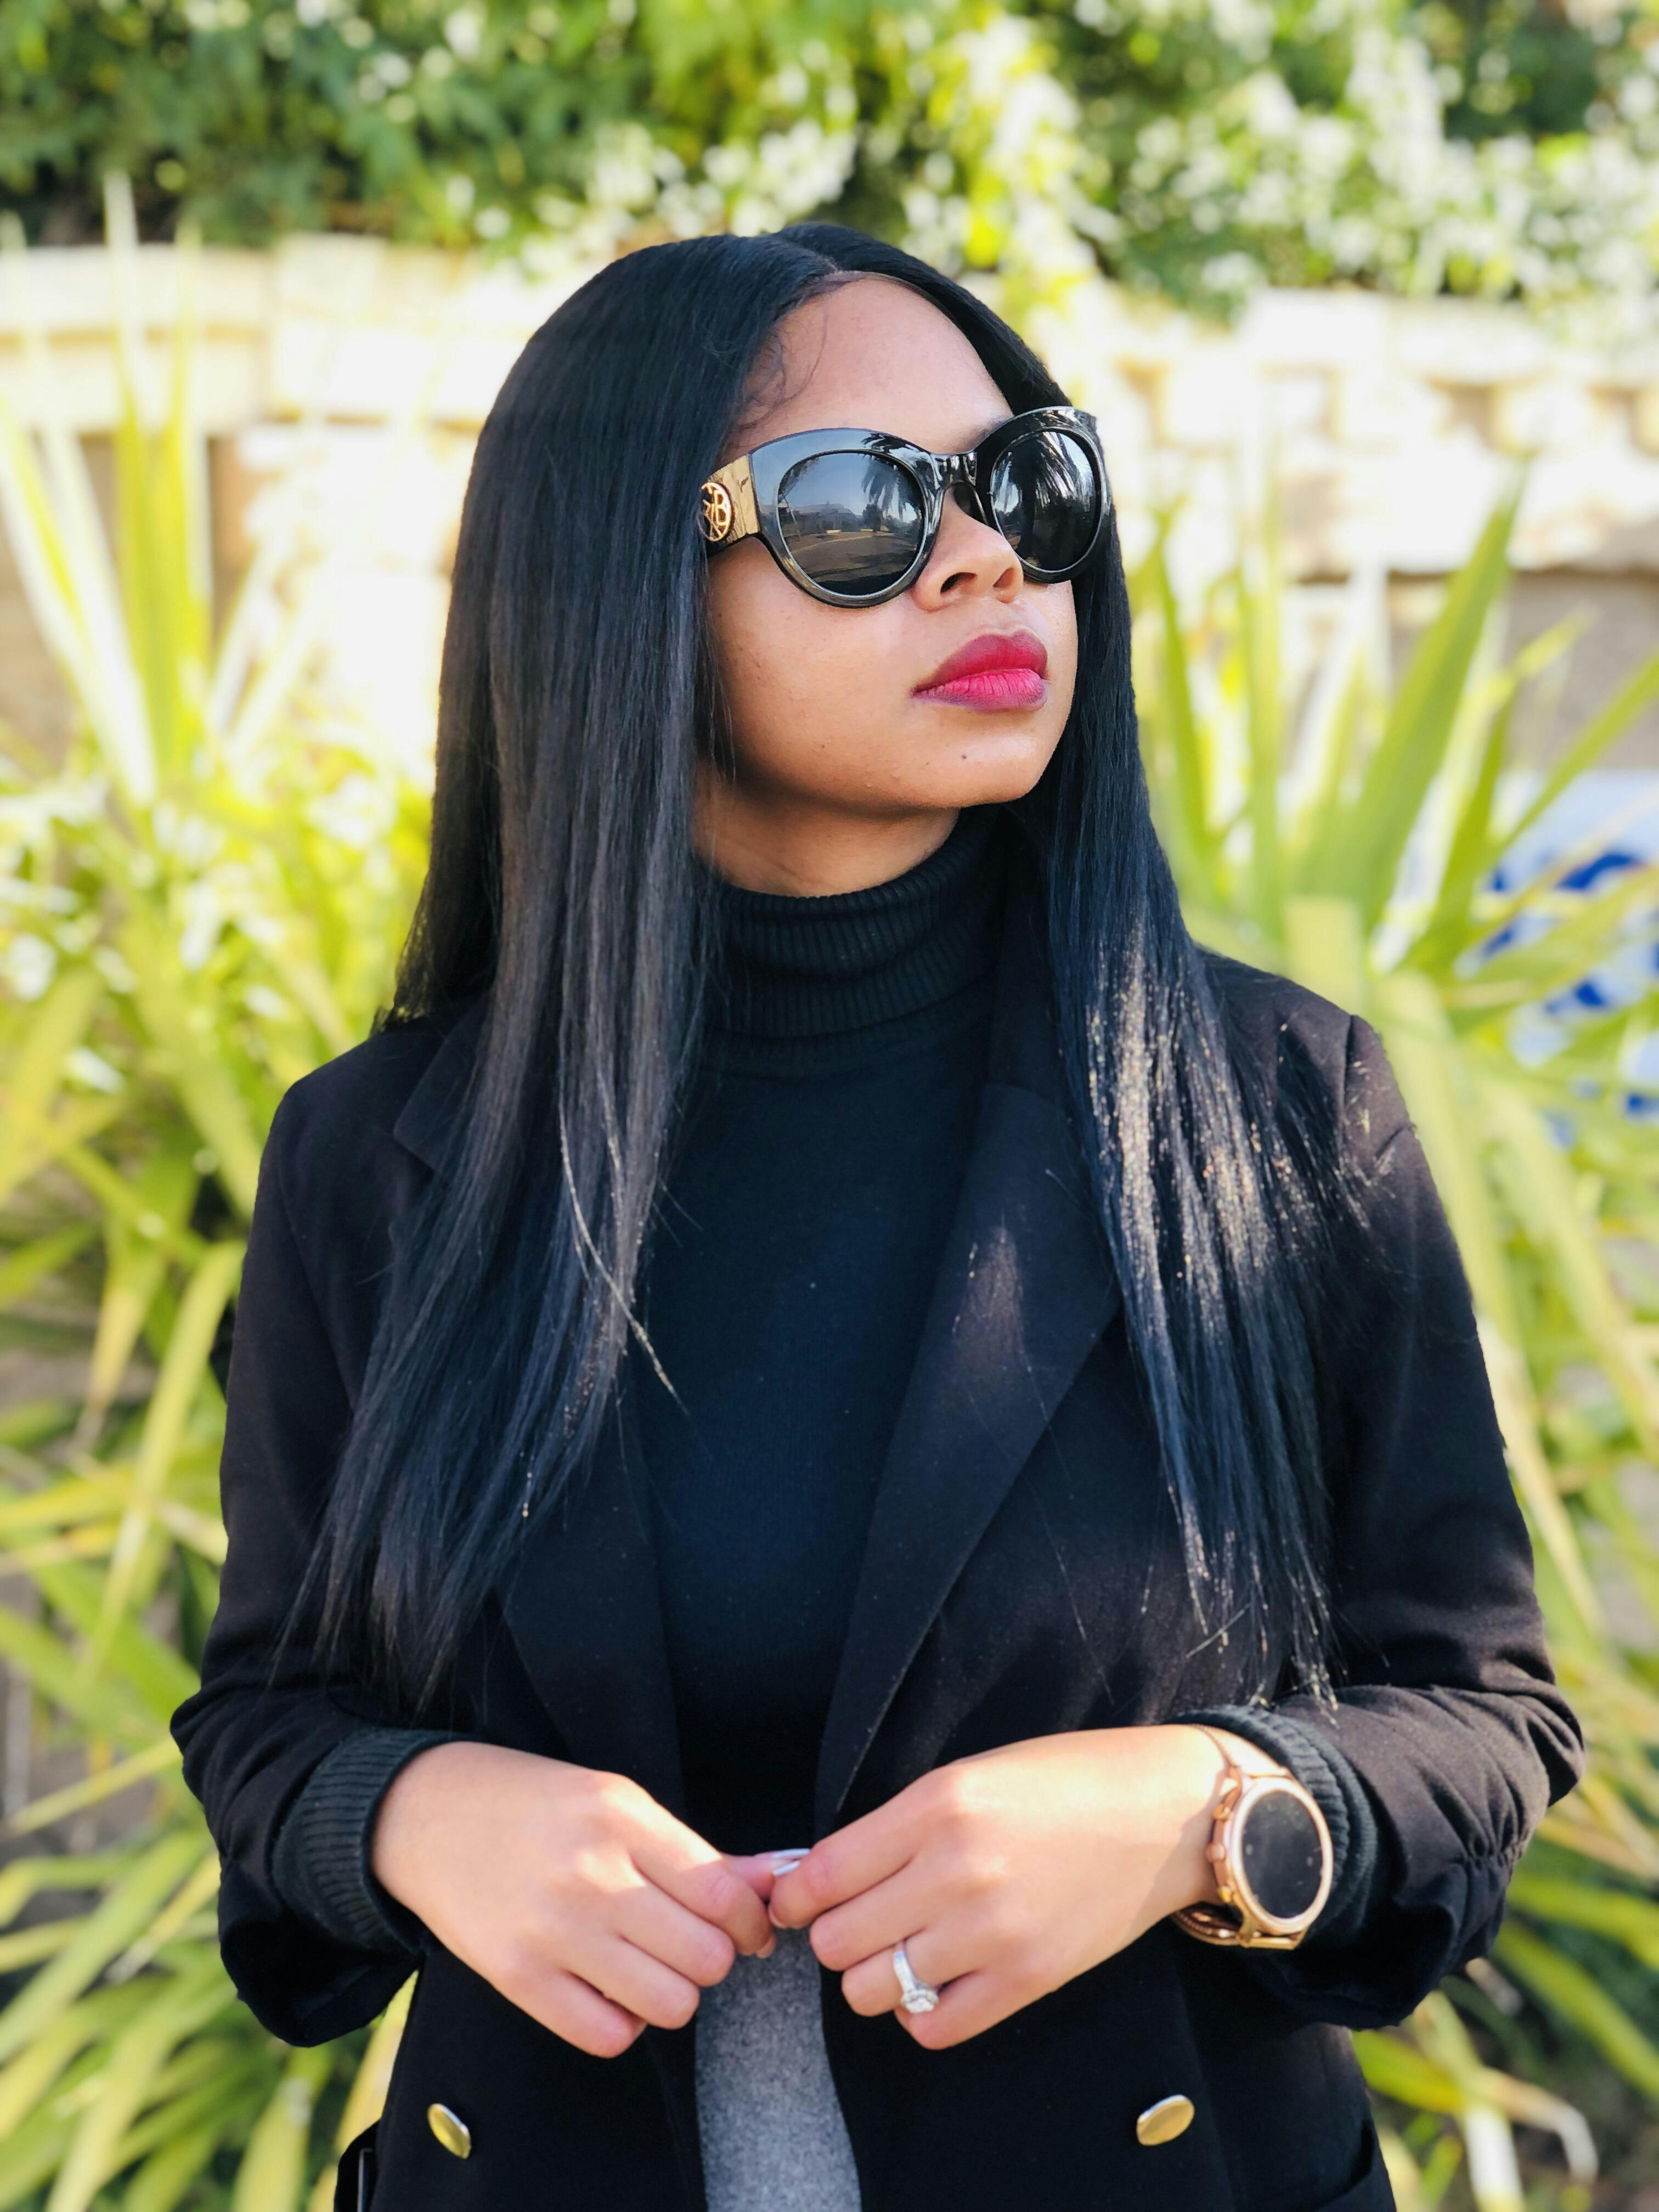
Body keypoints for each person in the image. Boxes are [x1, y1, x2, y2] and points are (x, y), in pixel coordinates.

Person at [170, 223, 1584, 2212]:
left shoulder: (1268, 1107)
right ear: (614, 581)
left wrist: (1199, 1811)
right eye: (864, 506)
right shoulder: (388, 1154)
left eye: (1029, 485)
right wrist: (416, 1813)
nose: (989, 559)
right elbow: (268, 1717)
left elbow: (1485, 1711)